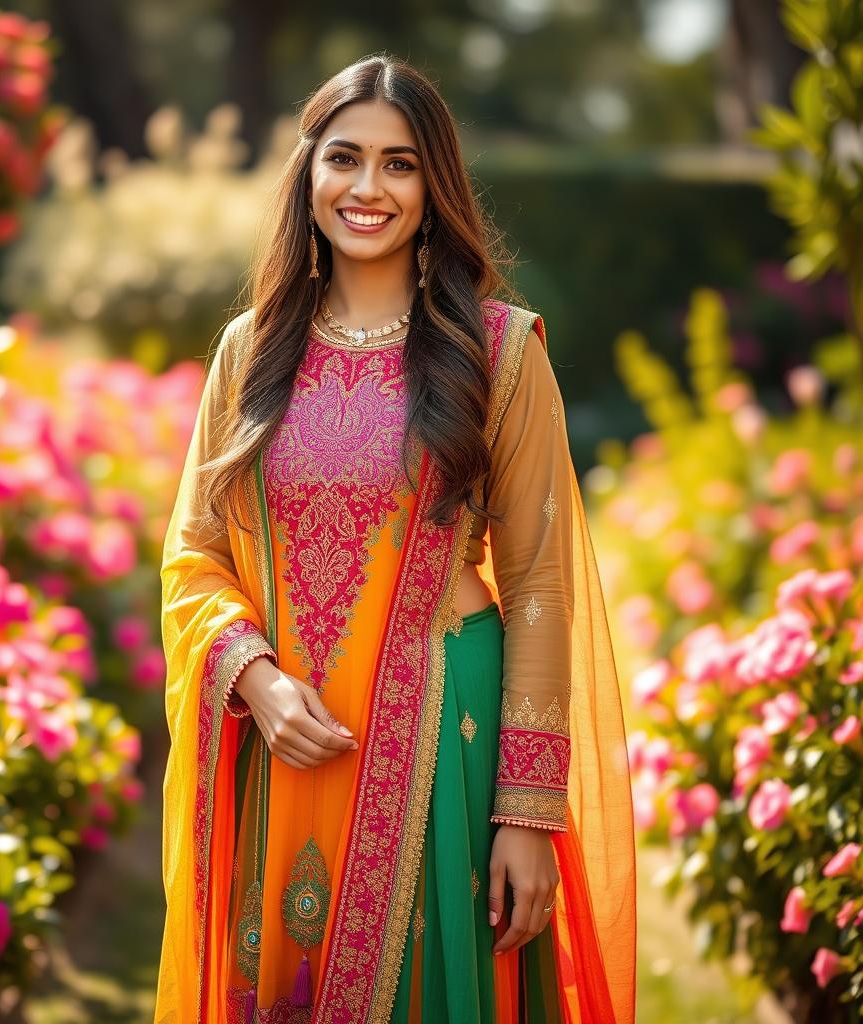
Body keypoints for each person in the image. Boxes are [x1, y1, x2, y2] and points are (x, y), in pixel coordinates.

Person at [155, 53, 636, 1024]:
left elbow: (540, 579)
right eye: (344, 158)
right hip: (284, 743)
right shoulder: (250, 352)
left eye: (400, 164)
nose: (367, 188)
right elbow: (194, 552)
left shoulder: (495, 354)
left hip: (439, 749)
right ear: (308, 177)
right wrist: (252, 675)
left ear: (435, 186)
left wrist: (527, 814)